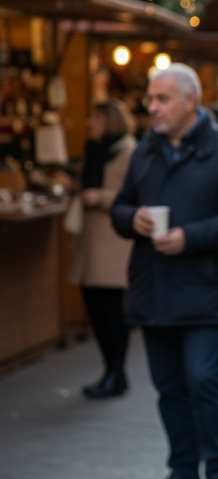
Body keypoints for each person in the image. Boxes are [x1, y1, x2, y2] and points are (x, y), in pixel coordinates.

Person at [111, 63, 218, 479]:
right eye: (150, 99)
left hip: (205, 290)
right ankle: (182, 474)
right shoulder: (146, 151)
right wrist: (129, 218)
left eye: (160, 99)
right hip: (154, 289)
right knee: (169, 387)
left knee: (202, 381)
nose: (150, 106)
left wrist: (189, 237)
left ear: (189, 101)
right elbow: (120, 206)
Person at [70, 100, 136, 398]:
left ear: (108, 120)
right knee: (94, 305)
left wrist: (103, 197)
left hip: (113, 240)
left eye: (94, 117)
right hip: (90, 239)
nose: (88, 123)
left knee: (112, 310)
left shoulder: (129, 151)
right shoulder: (93, 149)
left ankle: (116, 371)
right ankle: (109, 369)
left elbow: (134, 192)